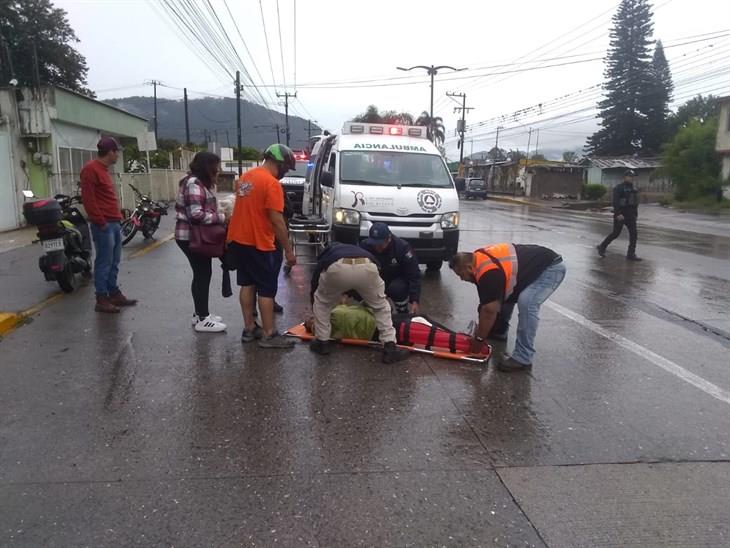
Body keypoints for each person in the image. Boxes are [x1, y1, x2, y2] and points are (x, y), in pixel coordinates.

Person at [449, 243, 566, 372]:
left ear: (469, 268)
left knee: (526, 303)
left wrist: (479, 339)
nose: (461, 279)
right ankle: (499, 331)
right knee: (498, 297)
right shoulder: (479, 261)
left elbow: (489, 310)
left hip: (550, 268)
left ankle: (523, 357)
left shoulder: (488, 271)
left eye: (461, 275)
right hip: (533, 267)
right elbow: (487, 302)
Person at [227, 144, 297, 348]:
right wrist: (289, 251)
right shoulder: (271, 184)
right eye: (286, 167)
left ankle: (249, 328)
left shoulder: (245, 178)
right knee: (266, 289)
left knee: (247, 284)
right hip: (260, 243)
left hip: (239, 241)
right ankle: (269, 334)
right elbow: (276, 220)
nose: (285, 172)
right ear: (280, 163)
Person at [309, 243, 410, 363]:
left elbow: (316, 277)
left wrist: (313, 299)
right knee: (381, 307)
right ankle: (390, 346)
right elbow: (376, 272)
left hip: (338, 268)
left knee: (322, 303)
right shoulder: (361, 250)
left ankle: (322, 342)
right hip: (367, 266)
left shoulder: (328, 253)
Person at [79, 137, 137, 313]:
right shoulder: (90, 170)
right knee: (104, 261)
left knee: (114, 261)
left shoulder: (104, 170)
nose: (117, 155)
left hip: (114, 222)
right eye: (116, 151)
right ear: (110, 152)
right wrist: (100, 221)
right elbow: (88, 199)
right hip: (104, 224)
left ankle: (113, 292)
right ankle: (101, 297)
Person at [175, 152, 227, 333]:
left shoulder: (196, 182)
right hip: (191, 236)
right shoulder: (194, 184)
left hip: (192, 236)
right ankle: (203, 319)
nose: (218, 170)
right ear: (207, 166)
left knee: (201, 273)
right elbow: (196, 214)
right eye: (216, 166)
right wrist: (222, 217)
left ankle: (200, 314)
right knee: (202, 274)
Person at [360, 222, 421, 314]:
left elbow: (414, 274)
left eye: (380, 244)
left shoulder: (402, 247)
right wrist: (346, 294)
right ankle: (382, 309)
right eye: (374, 244)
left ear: (389, 239)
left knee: (396, 289)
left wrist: (415, 300)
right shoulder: (365, 246)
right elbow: (355, 271)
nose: (377, 247)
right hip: (376, 279)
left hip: (397, 279)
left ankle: (402, 310)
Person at [597, 169, 641, 261]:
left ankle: (631, 254)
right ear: (624, 177)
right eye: (629, 176)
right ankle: (602, 247)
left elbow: (635, 203)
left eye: (632, 177)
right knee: (615, 233)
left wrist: (635, 215)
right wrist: (618, 213)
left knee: (634, 234)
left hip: (631, 215)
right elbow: (615, 202)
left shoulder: (634, 189)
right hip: (621, 214)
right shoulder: (619, 188)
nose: (631, 178)